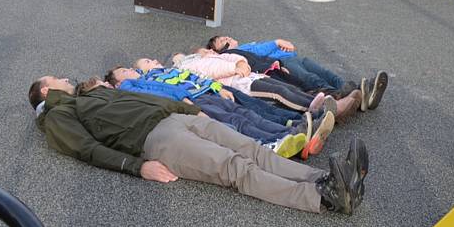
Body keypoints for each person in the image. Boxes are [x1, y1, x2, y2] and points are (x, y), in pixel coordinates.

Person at [28, 75, 367, 214]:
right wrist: (135, 167)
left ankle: (321, 179)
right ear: (46, 90)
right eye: (56, 78)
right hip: (156, 141)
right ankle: (322, 198)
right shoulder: (57, 114)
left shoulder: (90, 94)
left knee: (253, 149)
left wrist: (189, 109)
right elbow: (86, 149)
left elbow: (141, 99)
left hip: (181, 119)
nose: (65, 78)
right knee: (235, 168)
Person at [105, 63, 334, 159]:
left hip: (205, 93)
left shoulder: (154, 74)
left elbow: (193, 78)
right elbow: (159, 93)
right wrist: (185, 102)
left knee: (246, 114)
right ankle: (278, 140)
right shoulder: (130, 87)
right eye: (124, 71)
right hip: (192, 102)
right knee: (237, 120)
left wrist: (216, 87)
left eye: (128, 69)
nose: (130, 71)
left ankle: (291, 132)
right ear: (117, 83)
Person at [205, 35, 385, 113]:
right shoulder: (238, 52)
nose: (227, 38)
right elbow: (262, 50)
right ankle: (353, 95)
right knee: (311, 80)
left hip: (291, 57)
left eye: (225, 36)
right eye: (223, 41)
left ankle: (358, 92)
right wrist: (277, 41)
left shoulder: (244, 47)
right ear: (220, 50)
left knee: (325, 73)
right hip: (285, 62)